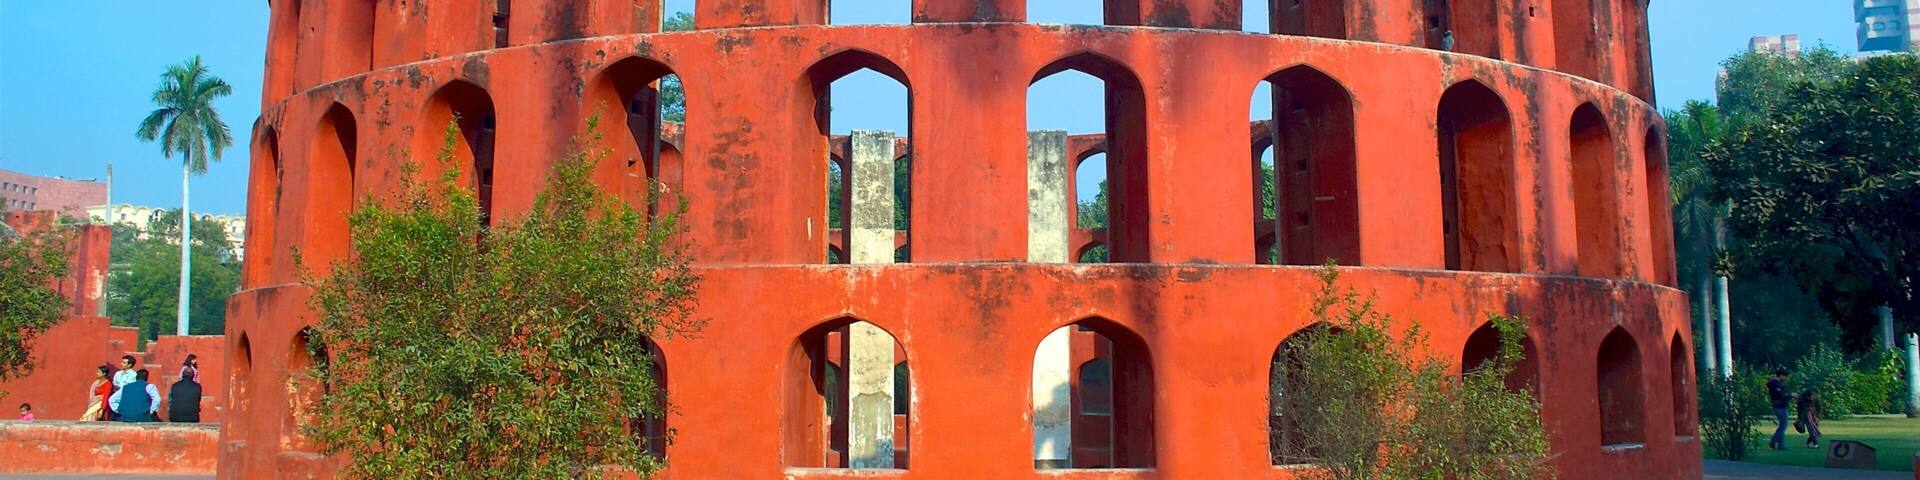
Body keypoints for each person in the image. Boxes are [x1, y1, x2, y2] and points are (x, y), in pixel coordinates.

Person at [1766, 368, 1792, 450]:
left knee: (1782, 426)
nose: (1786, 378)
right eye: (1785, 376)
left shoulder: (1774, 383)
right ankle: (1773, 441)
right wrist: (1791, 395)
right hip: (1780, 407)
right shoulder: (1776, 384)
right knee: (1783, 427)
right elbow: (1781, 396)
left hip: (1779, 406)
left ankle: (1781, 445)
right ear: (1781, 375)